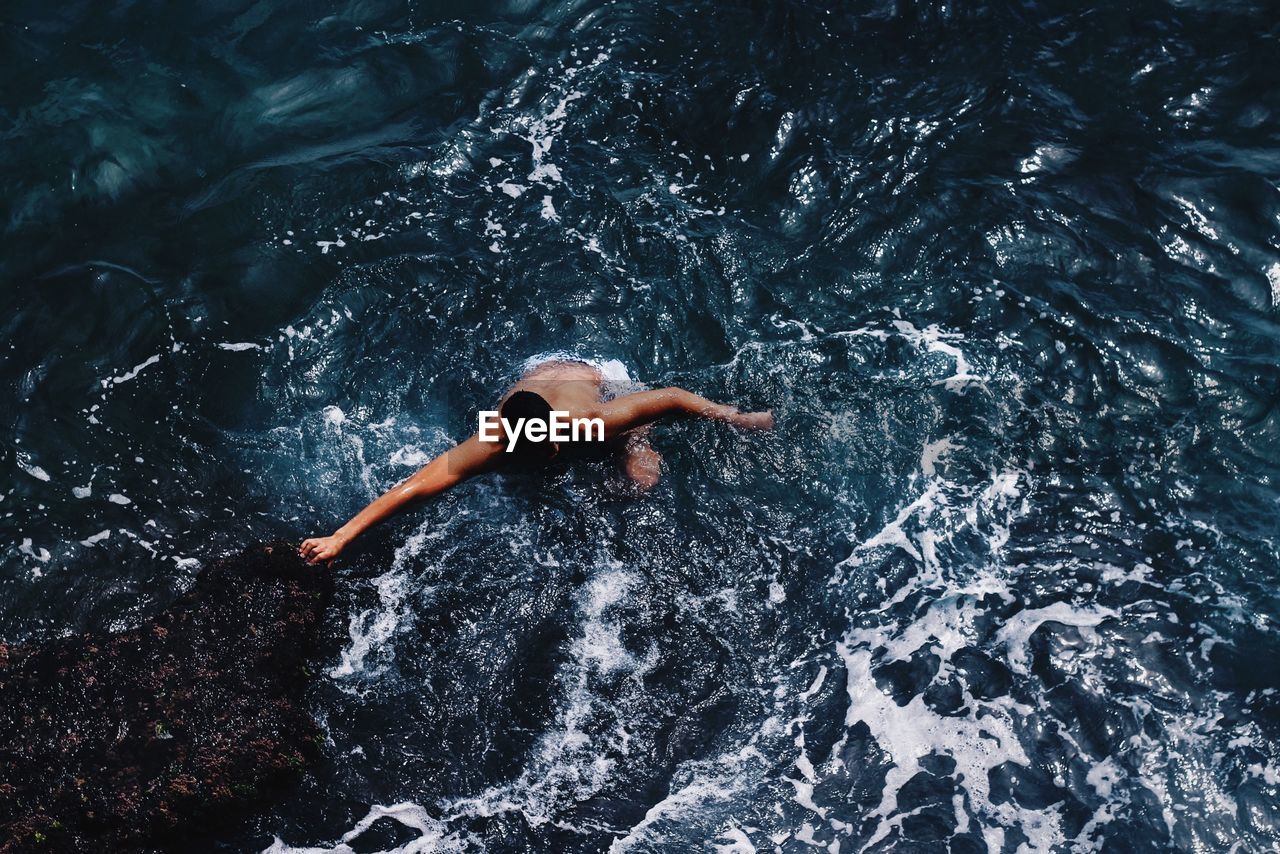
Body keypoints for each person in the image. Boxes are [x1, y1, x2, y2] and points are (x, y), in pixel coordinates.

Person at [299, 358, 773, 565]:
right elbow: (416, 485)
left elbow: (670, 397)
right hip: (534, 374)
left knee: (641, 479)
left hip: (590, 376)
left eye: (547, 448)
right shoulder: (490, 440)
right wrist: (340, 536)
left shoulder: (587, 421)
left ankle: (635, 445)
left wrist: (736, 417)